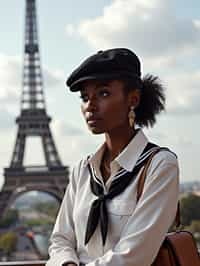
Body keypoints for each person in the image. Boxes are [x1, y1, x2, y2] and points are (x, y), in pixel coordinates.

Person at [46, 48, 179, 266]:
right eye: (85, 97)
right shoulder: (83, 169)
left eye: (103, 93)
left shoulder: (160, 165)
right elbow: (60, 240)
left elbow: (133, 256)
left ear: (133, 99)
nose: (90, 105)